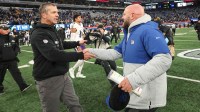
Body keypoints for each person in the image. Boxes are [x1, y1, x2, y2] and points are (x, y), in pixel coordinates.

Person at [84, 4, 172, 112]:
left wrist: (132, 80)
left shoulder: (147, 30)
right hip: (136, 94)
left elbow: (164, 59)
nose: (122, 17)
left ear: (132, 15)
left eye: (124, 14)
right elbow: (114, 53)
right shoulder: (131, 32)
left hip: (146, 98)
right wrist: (91, 51)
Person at [30, 3, 94, 112]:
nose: (57, 15)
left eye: (57, 12)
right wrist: (81, 55)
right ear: (44, 15)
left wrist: (77, 43)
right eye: (54, 12)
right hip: (48, 79)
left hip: (63, 75)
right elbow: (53, 55)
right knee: (52, 109)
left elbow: (60, 44)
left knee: (75, 105)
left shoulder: (51, 29)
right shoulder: (39, 33)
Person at [0, 27, 31, 95]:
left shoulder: (11, 37)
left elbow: (16, 46)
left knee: (17, 73)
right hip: (2, 61)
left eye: (7, 28)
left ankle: (23, 86)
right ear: (0, 30)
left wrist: (15, 53)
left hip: (12, 60)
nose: (7, 30)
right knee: (1, 76)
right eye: (4, 29)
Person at [69, 14, 86, 79]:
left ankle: (79, 73)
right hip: (77, 42)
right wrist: (75, 43)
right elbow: (72, 33)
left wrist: (83, 39)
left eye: (80, 17)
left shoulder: (81, 24)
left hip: (81, 42)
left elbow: (82, 34)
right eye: (79, 17)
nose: (80, 18)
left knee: (83, 57)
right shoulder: (73, 25)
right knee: (82, 57)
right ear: (75, 19)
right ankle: (72, 69)